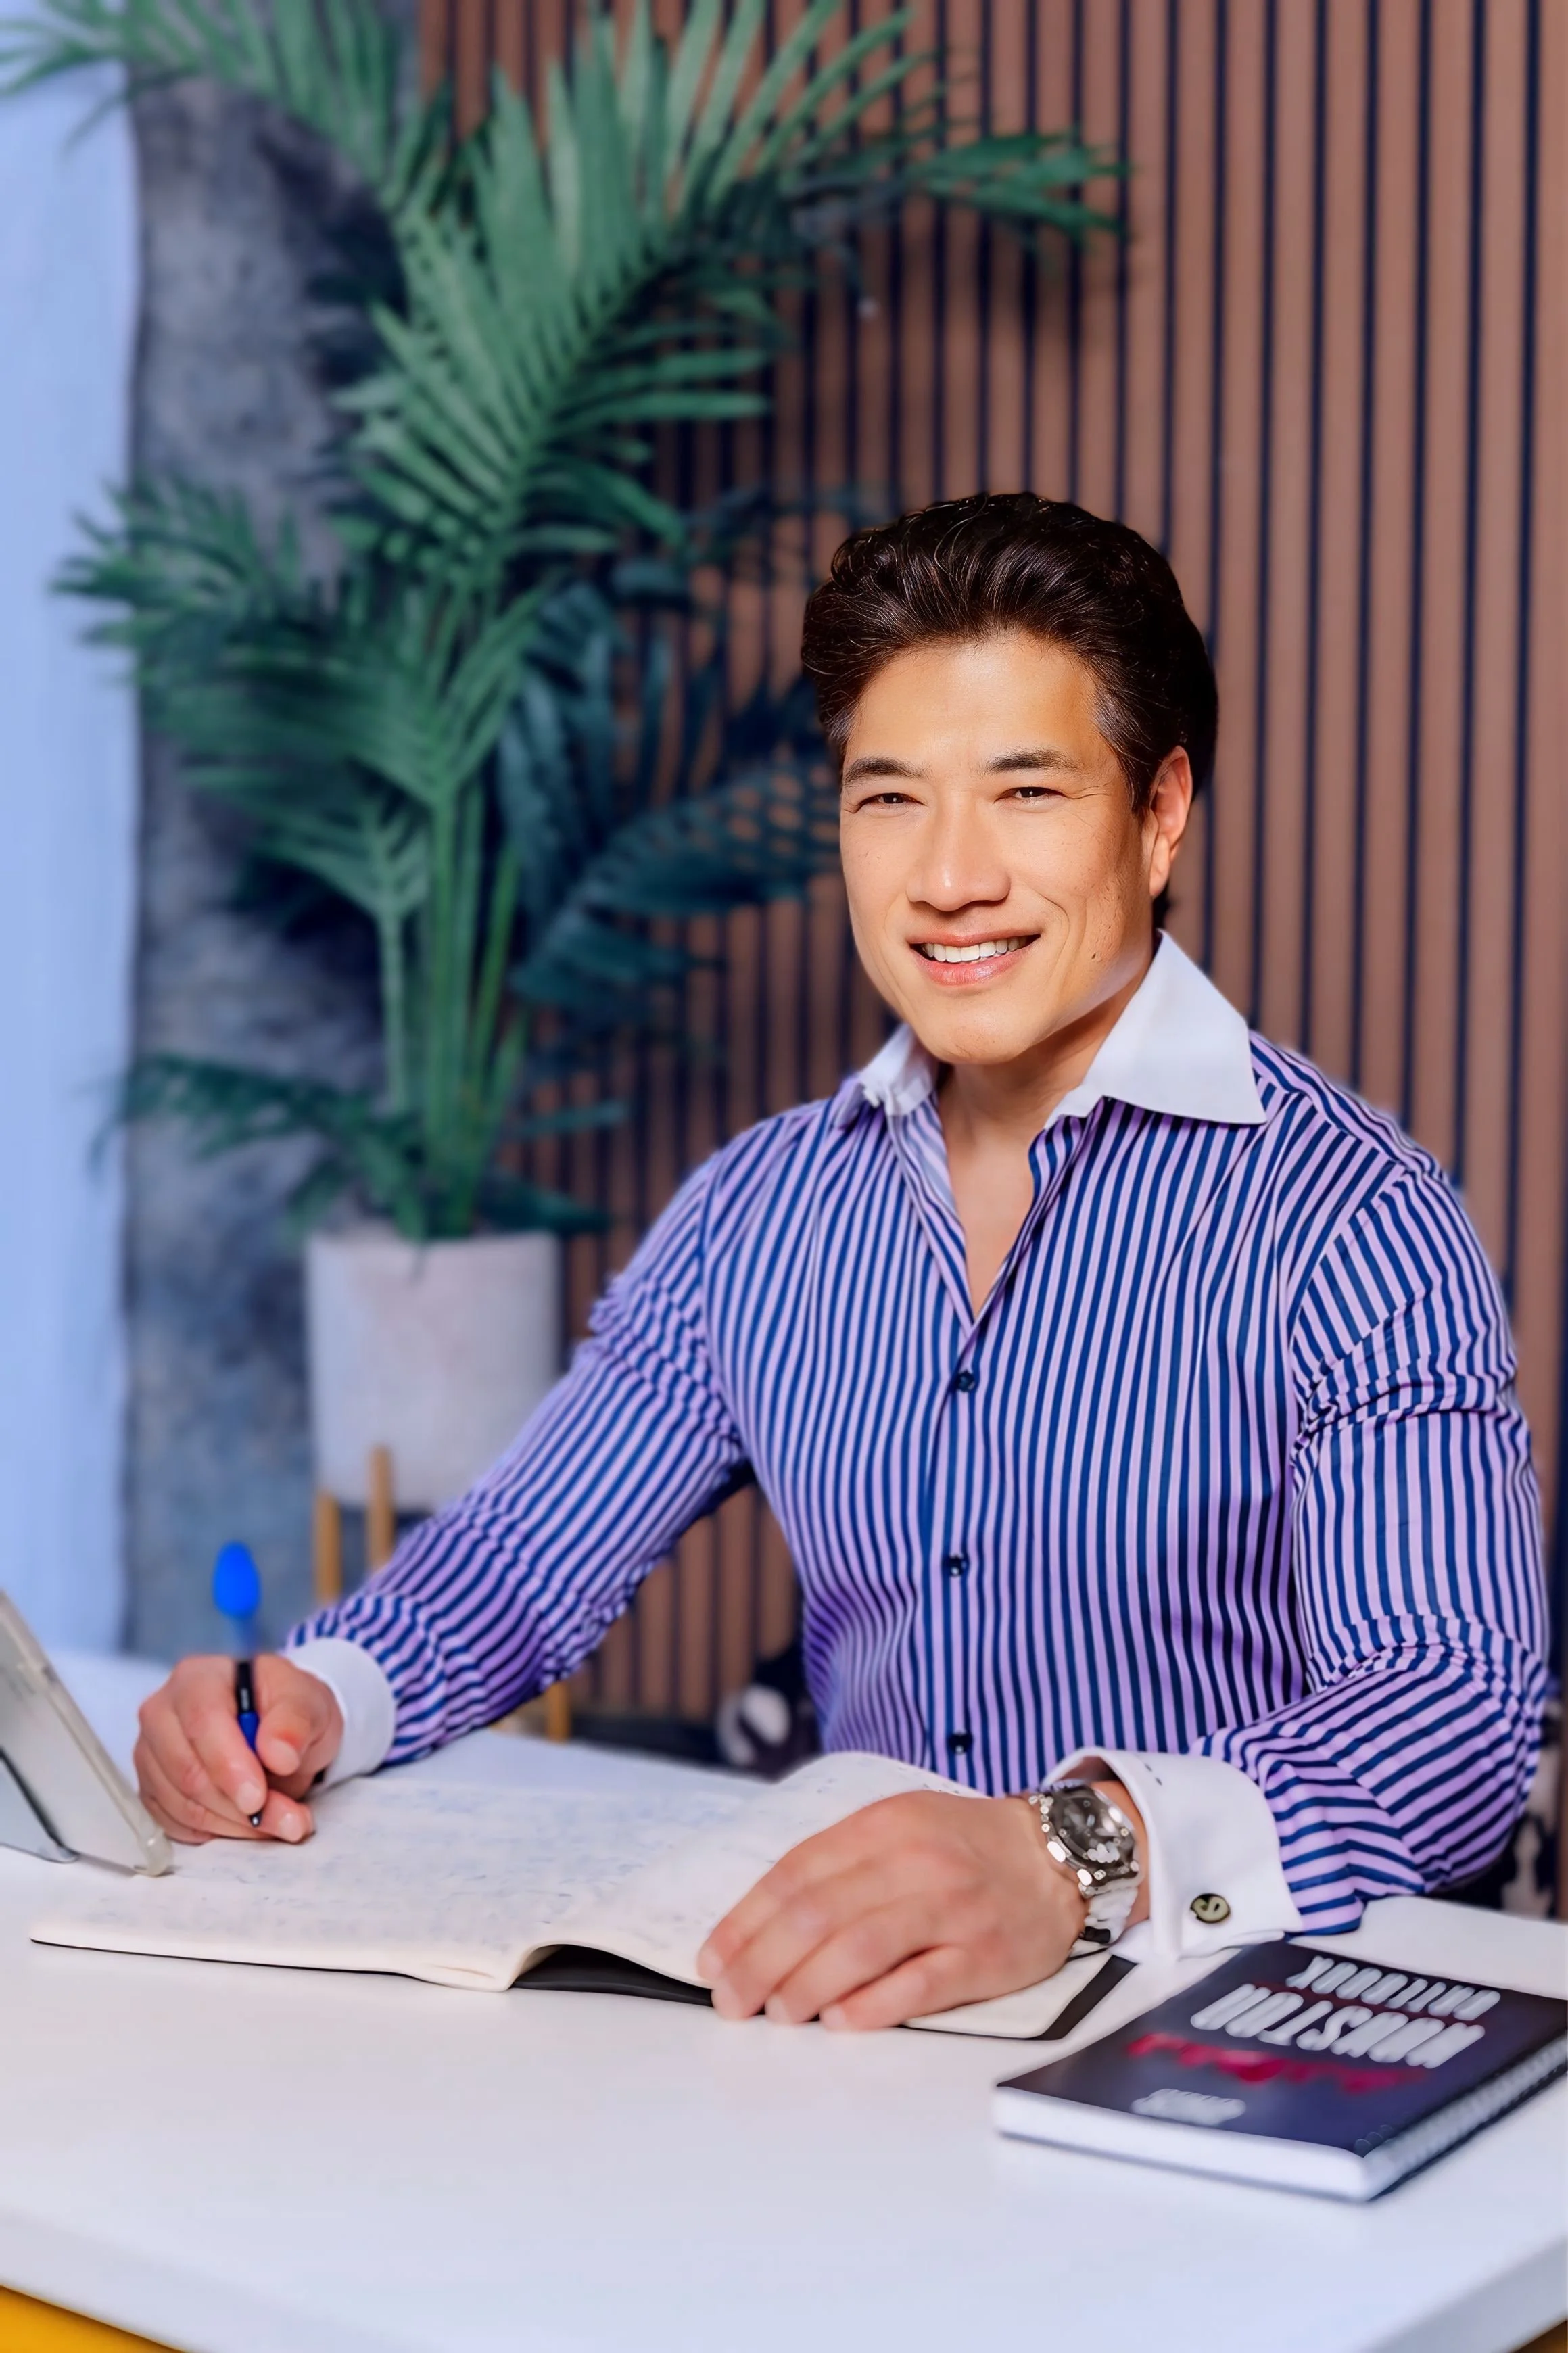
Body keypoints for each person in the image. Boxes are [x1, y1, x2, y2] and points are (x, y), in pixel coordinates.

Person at [133, 493, 1548, 2032]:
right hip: (846, 2049)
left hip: (1217, 2040)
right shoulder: (765, 1207)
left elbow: (1450, 1709)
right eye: (890, 800)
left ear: (1157, 816)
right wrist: (316, 1700)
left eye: (1024, 793)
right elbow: (523, 1562)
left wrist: (1072, 1851)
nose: (948, 878)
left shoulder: (1352, 1217)